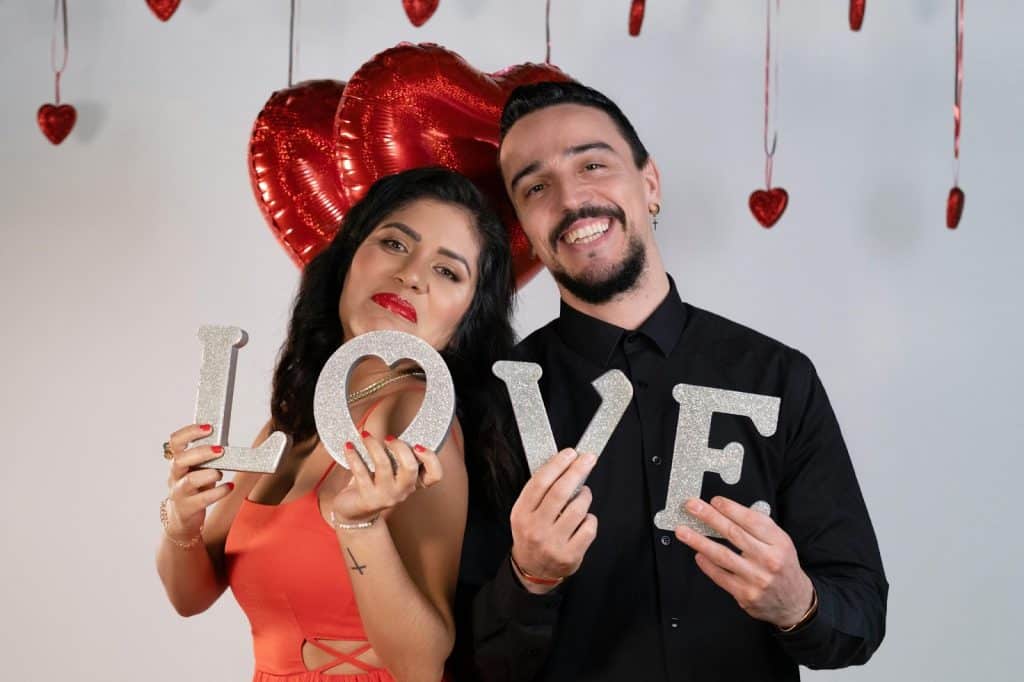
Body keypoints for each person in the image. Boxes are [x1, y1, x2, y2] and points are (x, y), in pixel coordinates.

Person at [454, 82, 888, 681]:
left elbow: (861, 616)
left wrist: (798, 604)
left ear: (650, 183)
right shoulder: (489, 405)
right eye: (535, 187)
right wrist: (528, 579)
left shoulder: (778, 377)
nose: (572, 198)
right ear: (523, 226)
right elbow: (466, 663)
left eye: (593, 164)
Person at [156, 167, 520, 682]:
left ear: (465, 323)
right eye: (395, 243)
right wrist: (181, 518)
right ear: (348, 257)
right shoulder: (294, 420)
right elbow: (189, 596)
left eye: (448, 272)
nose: (412, 275)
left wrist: (360, 526)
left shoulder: (418, 415)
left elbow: (421, 665)